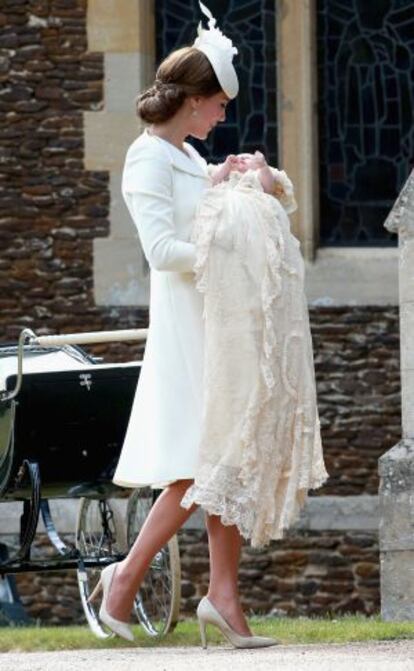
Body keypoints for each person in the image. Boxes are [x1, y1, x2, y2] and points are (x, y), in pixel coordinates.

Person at [88, 1, 327, 648]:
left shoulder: (190, 157)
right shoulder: (147, 159)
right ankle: (124, 580)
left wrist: (233, 181)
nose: (223, 115)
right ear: (193, 101)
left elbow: (208, 215)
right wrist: (231, 249)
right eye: (218, 104)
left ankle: (222, 596)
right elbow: (164, 252)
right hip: (189, 326)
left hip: (215, 324)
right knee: (200, 465)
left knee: (222, 455)